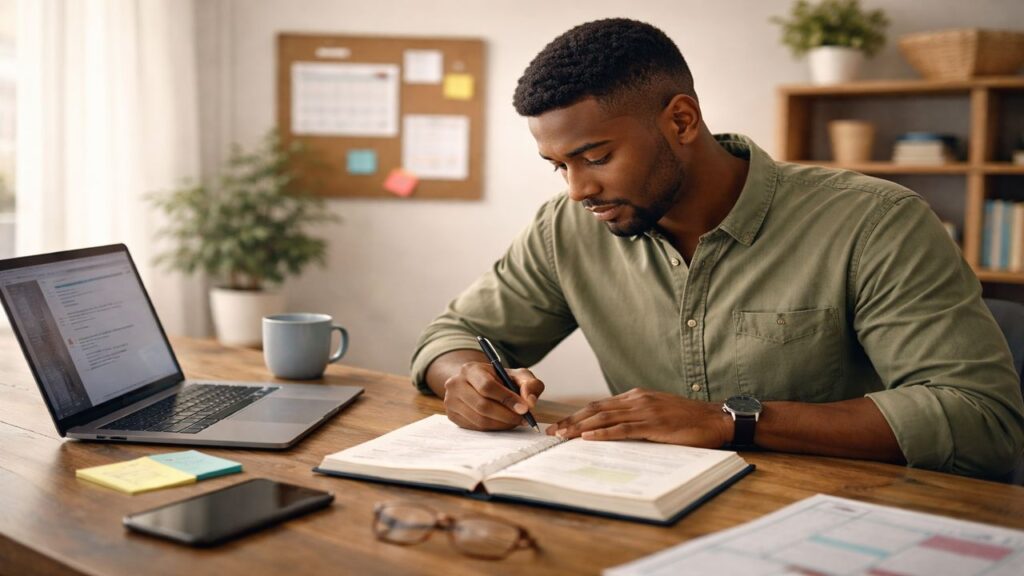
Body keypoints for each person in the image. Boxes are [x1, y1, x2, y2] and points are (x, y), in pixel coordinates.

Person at [409, 18, 1024, 478]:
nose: (578, 190)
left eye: (596, 157)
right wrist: (464, 377)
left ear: (681, 121)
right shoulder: (567, 229)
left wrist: (729, 420)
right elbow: (453, 334)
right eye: (558, 165)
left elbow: (981, 419)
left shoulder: (875, 223)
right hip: (645, 510)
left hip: (841, 514)